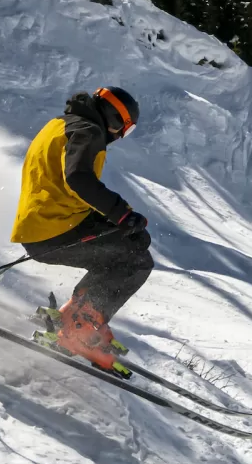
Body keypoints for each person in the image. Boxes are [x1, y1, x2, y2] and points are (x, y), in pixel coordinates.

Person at [11, 85, 152, 373]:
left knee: (128, 246)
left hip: (40, 225)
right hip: (56, 229)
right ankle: (81, 329)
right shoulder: (89, 132)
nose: (119, 136)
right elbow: (78, 178)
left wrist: (120, 218)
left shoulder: (61, 124)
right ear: (114, 119)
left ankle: (78, 315)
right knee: (137, 259)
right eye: (124, 129)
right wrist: (121, 214)